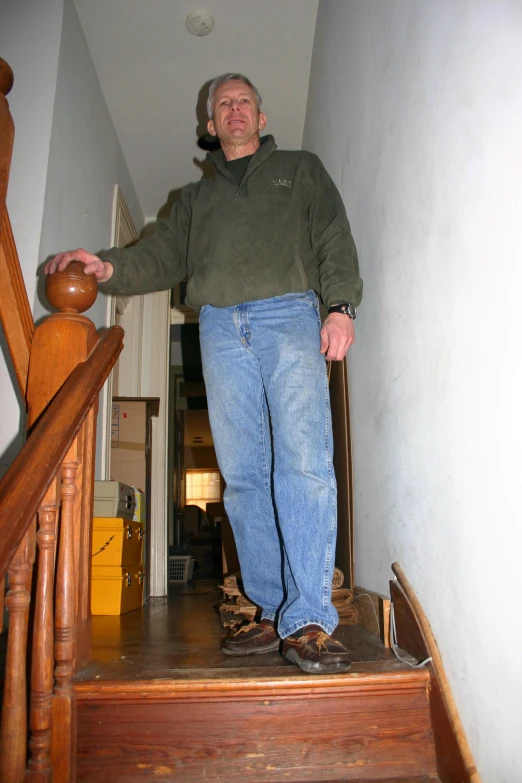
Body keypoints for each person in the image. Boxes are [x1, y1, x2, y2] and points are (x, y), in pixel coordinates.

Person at [46, 73, 362, 674]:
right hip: (218, 327)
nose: (235, 109)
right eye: (224, 105)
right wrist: (105, 265)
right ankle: (273, 611)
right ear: (211, 126)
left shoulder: (300, 170)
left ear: (261, 118)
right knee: (243, 476)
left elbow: (334, 238)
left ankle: (310, 617)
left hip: (289, 314)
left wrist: (341, 306)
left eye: (245, 101)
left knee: (302, 461)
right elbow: (158, 254)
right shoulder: (194, 201)